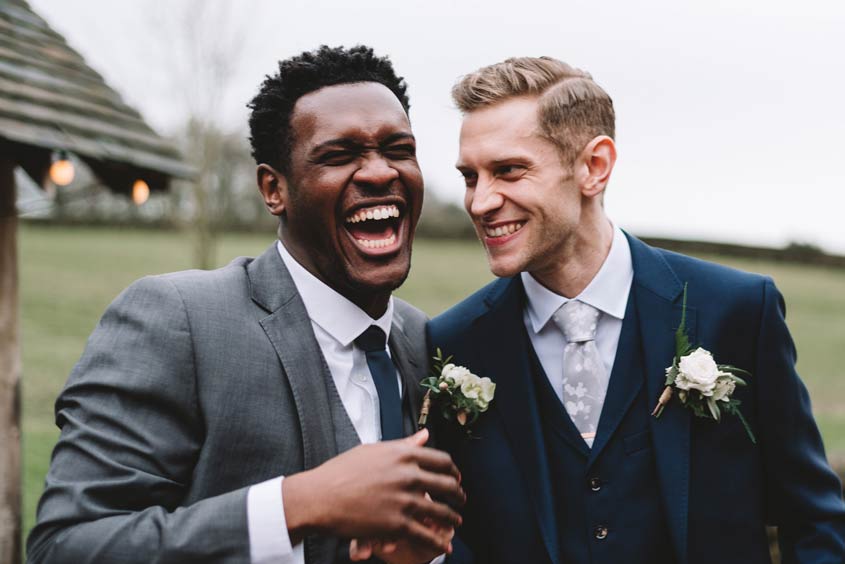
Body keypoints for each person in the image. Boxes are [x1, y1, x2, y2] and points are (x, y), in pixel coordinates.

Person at [27, 45, 464, 564]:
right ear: (273, 189)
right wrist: (299, 504)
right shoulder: (176, 320)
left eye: (398, 149)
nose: (378, 172)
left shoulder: (425, 341)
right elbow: (67, 547)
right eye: (338, 155)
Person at [427, 56, 845, 564]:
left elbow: (813, 517)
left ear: (594, 167)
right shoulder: (454, 344)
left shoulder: (737, 310)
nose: (479, 202)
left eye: (509, 171)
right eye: (471, 177)